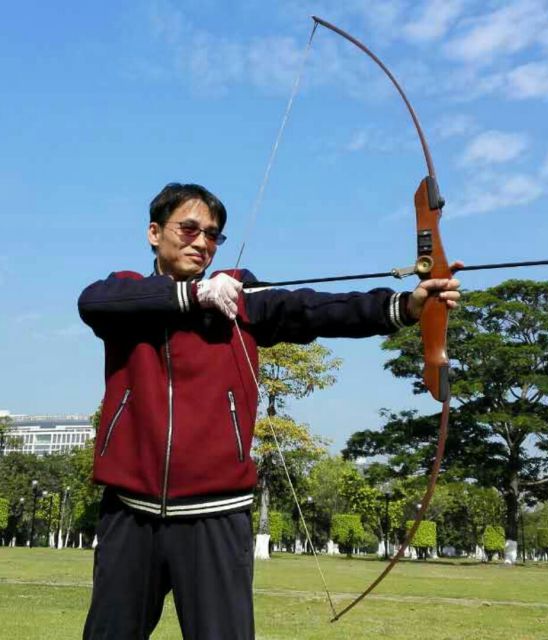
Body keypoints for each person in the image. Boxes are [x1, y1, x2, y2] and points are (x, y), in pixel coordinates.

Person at [78, 182, 461, 639]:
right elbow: (93, 301)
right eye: (189, 229)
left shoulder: (238, 296)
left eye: (213, 235)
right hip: (130, 513)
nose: (202, 243)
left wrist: (404, 306)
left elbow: (313, 309)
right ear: (154, 233)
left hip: (216, 514)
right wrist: (195, 296)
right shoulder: (126, 295)